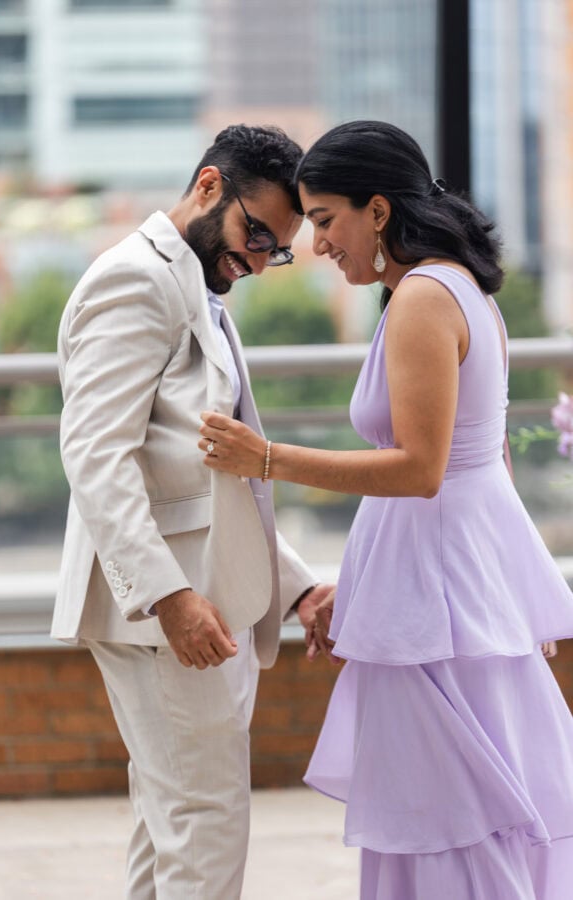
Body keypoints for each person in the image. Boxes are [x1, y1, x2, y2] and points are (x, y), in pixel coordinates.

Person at [199, 120, 573, 898]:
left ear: (377, 210)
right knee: (463, 805)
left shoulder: (423, 299)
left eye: (325, 220)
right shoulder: (450, 289)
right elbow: (488, 460)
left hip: (439, 609)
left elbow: (421, 470)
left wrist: (265, 458)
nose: (318, 245)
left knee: (446, 812)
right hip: (453, 591)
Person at [52, 123, 331, 899]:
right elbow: (95, 454)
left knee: (173, 823)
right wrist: (169, 597)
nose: (259, 262)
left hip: (201, 603)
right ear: (210, 186)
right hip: (167, 615)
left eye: (278, 251)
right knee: (206, 824)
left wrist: (298, 588)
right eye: (257, 235)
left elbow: (205, 481)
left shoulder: (192, 286)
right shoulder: (136, 280)